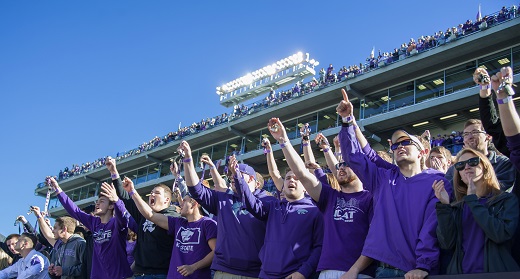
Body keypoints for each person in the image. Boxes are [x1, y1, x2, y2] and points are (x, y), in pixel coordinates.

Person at [337, 89, 449, 278]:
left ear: (422, 153)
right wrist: (347, 121)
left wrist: (423, 266)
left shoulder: (436, 182)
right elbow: (354, 156)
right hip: (383, 270)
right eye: (395, 145)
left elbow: (431, 229)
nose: (400, 147)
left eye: (405, 142)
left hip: (417, 272)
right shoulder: (382, 178)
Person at [270, 117, 373, 278]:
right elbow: (302, 173)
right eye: (339, 165)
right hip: (325, 272)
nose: (341, 167)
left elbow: (374, 240)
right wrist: (283, 140)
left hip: (358, 273)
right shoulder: (329, 197)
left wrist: (355, 270)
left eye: (347, 164)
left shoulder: (370, 198)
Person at [179, 140, 277, 279]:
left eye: (237, 173)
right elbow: (196, 190)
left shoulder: (268, 200)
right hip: (224, 271)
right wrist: (188, 159)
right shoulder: (223, 198)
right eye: (231, 175)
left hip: (255, 273)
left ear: (252, 179)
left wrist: (237, 176)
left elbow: (254, 204)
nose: (232, 176)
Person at [229, 152, 323, 279]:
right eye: (288, 178)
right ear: (282, 186)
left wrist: (304, 272)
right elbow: (251, 202)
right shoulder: (272, 206)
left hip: (293, 275)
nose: (291, 180)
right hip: (265, 274)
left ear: (306, 187)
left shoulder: (315, 211)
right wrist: (237, 177)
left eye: (297, 178)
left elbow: (319, 247)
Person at [433, 148, 520, 273]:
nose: (466, 167)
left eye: (473, 161)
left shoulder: (506, 200)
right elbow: (447, 243)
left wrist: (473, 201)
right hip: (462, 274)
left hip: (497, 273)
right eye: (460, 165)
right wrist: (445, 206)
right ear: (459, 175)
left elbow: (500, 234)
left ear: (485, 167)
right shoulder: (457, 206)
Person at [123, 176, 217, 279]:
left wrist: (194, 267)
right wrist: (132, 192)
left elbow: (216, 251)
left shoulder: (208, 224)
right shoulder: (177, 223)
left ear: (194, 203)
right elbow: (150, 215)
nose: (180, 203)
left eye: (184, 201)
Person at [106, 156, 180, 278]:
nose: (152, 194)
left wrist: (133, 192)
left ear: (167, 199)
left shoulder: (173, 217)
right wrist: (114, 172)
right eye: (151, 192)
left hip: (161, 274)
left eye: (157, 193)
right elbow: (126, 198)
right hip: (140, 274)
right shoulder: (143, 216)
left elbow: (152, 216)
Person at [49, 177, 133, 279]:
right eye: (97, 201)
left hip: (119, 276)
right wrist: (58, 190)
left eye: (102, 201)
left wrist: (116, 200)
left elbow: (123, 216)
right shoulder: (94, 223)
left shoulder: (117, 223)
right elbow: (75, 211)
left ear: (111, 206)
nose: (97, 203)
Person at [444, 119, 516, 193]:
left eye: (475, 132)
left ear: (488, 136)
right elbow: (448, 194)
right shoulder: (454, 169)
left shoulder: (503, 163)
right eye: (466, 134)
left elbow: (499, 192)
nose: (470, 137)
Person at [30, 206, 86, 279]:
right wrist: (53, 272)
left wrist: (64, 271)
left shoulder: (80, 243)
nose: (53, 231)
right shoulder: (60, 247)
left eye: (55, 228)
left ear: (64, 229)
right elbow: (47, 234)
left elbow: (86, 268)